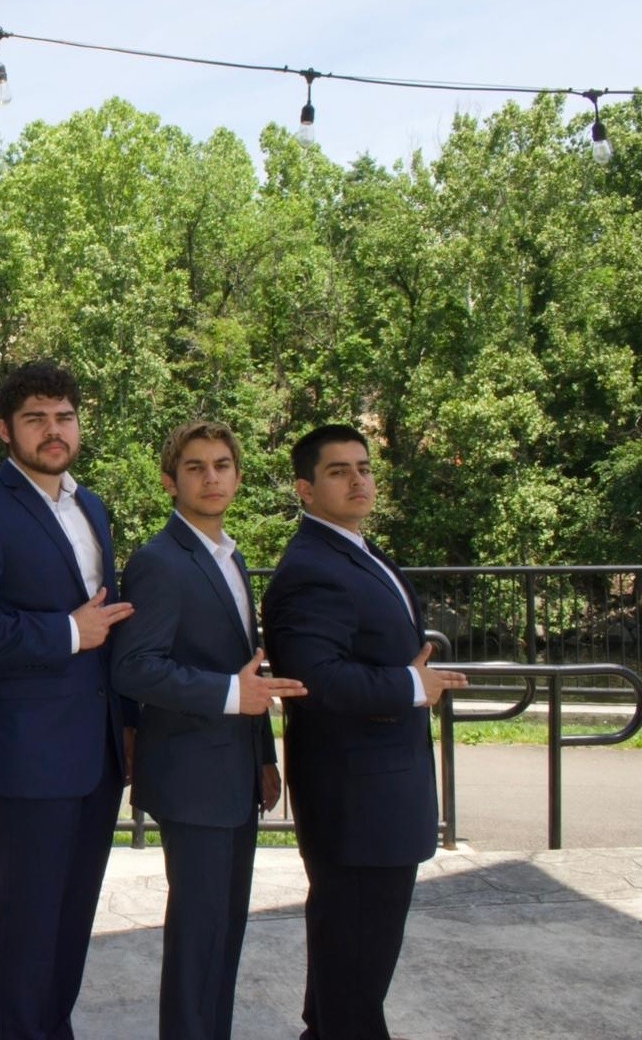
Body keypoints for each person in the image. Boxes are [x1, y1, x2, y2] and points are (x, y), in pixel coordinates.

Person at [0, 359, 134, 1040]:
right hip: (26, 755)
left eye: (64, 417)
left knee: (72, 919)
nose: (53, 431)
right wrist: (66, 632)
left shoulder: (91, 504)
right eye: (35, 419)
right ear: (4, 430)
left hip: (97, 752)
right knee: (26, 923)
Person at [261, 423, 466, 1040]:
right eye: (338, 471)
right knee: (356, 958)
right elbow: (314, 679)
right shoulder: (310, 568)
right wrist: (410, 688)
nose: (357, 480)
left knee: (353, 960)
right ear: (305, 488)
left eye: (363, 467)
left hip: (382, 793)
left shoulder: (359, 550)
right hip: (356, 801)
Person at [111, 420, 306, 1040]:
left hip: (234, 775)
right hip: (192, 778)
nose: (211, 476)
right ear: (171, 480)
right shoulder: (159, 561)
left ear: (239, 477)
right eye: (195, 466)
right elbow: (135, 668)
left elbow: (244, 666)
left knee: (225, 931)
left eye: (222, 464)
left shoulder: (231, 555)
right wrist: (230, 696)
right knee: (198, 938)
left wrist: (263, 759)